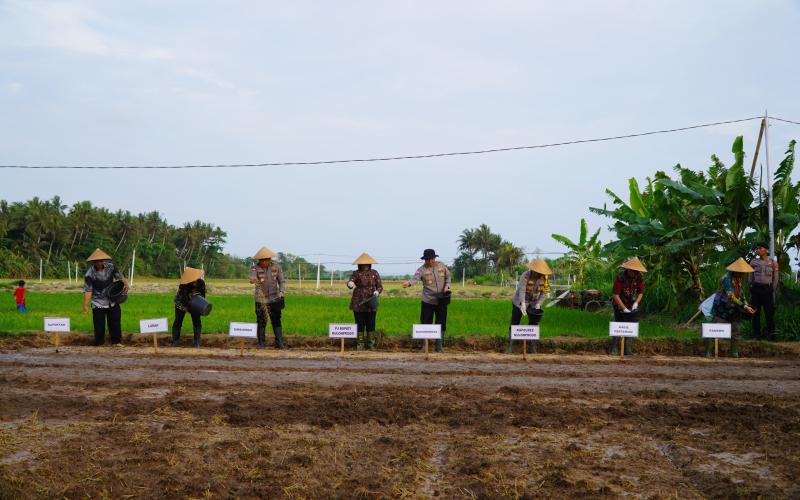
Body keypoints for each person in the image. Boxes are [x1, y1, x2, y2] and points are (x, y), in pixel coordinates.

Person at [403, 249, 451, 353]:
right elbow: (415, 279)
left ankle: (439, 347)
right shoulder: (421, 270)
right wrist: (409, 283)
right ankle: (424, 346)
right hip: (428, 301)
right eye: (427, 260)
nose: (430, 261)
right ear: (424, 260)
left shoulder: (442, 266)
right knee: (425, 323)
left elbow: (448, 277)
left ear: (435, 258)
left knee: (441, 323)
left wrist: (447, 286)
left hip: (441, 300)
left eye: (431, 259)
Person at [82, 248, 129, 347]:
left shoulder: (111, 267)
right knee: (99, 325)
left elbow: (120, 277)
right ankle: (99, 343)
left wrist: (125, 284)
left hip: (112, 299)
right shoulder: (89, 274)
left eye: (100, 260)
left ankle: (116, 342)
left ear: (103, 260)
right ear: (93, 262)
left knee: (115, 322)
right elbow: (88, 290)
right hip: (98, 302)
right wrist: (85, 305)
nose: (99, 262)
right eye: (96, 261)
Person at [710, 258, 756, 358]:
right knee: (716, 330)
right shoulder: (726, 279)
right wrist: (743, 306)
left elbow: (741, 294)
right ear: (736, 271)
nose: (744, 274)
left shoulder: (738, 279)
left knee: (736, 331)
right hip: (722, 308)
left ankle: (734, 353)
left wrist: (746, 305)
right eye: (742, 272)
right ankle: (709, 351)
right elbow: (730, 296)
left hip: (735, 308)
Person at [508, 259, 552, 354]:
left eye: (542, 272)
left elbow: (544, 292)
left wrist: (539, 303)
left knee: (534, 324)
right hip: (519, 302)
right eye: (539, 272)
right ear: (534, 270)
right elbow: (522, 290)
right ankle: (511, 346)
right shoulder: (525, 276)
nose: (540, 274)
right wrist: (523, 303)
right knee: (514, 322)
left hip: (533, 303)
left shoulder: (545, 279)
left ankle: (532, 347)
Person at [248, 246, 286, 349]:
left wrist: (281, 291)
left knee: (276, 321)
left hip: (274, 299)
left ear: (269, 259)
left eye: (267, 260)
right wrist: (253, 279)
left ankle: (279, 343)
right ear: (260, 261)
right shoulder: (255, 268)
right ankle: (261, 344)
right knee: (261, 321)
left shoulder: (277, 267)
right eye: (263, 261)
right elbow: (251, 278)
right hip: (261, 300)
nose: (266, 262)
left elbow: (281, 281)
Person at [610, 257, 647, 355]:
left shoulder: (639, 277)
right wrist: (623, 308)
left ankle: (627, 350)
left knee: (631, 326)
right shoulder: (620, 277)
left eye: (636, 271)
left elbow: (641, 292)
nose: (635, 273)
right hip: (619, 303)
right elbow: (615, 295)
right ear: (628, 269)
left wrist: (636, 303)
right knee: (619, 324)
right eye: (633, 271)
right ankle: (614, 349)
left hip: (632, 304)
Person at [347, 252, 384, 351]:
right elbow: (351, 281)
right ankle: (360, 344)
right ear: (360, 264)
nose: (365, 265)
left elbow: (380, 286)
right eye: (363, 264)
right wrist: (350, 283)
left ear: (370, 264)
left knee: (371, 322)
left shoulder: (374, 273)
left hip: (371, 300)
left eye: (367, 264)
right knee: (359, 322)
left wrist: (377, 291)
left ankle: (371, 343)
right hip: (358, 300)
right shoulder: (356, 273)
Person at [749, 242, 779, 341]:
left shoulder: (773, 262)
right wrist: (751, 287)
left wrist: (772, 289)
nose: (758, 250)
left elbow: (776, 277)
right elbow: (750, 276)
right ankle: (756, 335)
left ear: (766, 250)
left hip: (767, 290)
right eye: (757, 248)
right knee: (755, 313)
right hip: (756, 290)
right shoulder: (753, 262)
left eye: (760, 248)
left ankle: (771, 335)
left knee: (769, 314)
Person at [171, 267, 206, 348]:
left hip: (196, 303)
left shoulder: (201, 283)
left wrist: (200, 305)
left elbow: (203, 296)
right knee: (178, 321)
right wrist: (187, 307)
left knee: (197, 321)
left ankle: (197, 341)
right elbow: (183, 298)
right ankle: (175, 340)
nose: (194, 280)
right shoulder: (183, 284)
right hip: (181, 303)